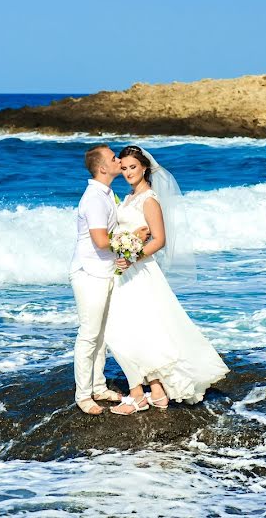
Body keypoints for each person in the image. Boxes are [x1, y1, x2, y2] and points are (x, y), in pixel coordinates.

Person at [105, 145, 229, 415]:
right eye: (124, 168)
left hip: (138, 270)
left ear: (145, 168)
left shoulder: (149, 199)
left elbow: (160, 240)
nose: (127, 173)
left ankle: (140, 395)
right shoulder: (127, 198)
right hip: (126, 270)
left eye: (132, 167)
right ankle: (158, 392)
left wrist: (132, 256)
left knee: (125, 330)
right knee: (136, 329)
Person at [68, 144, 127, 415]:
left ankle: (98, 385)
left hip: (104, 270)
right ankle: (83, 395)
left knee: (102, 334)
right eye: (114, 158)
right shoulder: (93, 198)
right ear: (103, 168)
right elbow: (101, 240)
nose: (119, 160)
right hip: (89, 273)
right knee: (89, 334)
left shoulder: (107, 193)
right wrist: (132, 240)